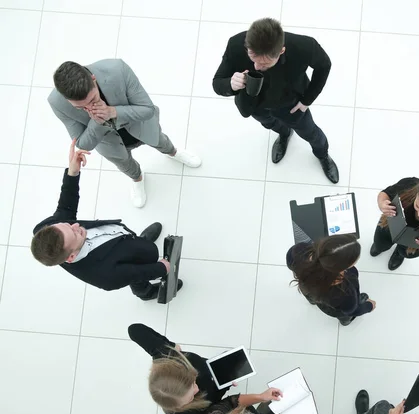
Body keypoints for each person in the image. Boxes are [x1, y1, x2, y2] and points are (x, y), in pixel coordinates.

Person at [30, 140, 182, 301]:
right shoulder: (105, 276)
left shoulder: (46, 229)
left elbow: (65, 209)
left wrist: (73, 173)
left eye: (67, 225)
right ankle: (145, 293)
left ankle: (139, 241)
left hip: (121, 240)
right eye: (75, 234)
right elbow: (134, 273)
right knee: (136, 275)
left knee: (138, 245)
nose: (75, 225)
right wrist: (160, 269)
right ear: (71, 257)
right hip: (128, 265)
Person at [49, 59, 201, 207]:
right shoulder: (56, 103)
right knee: (125, 164)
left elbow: (147, 109)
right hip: (110, 143)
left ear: (93, 79)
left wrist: (112, 112)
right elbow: (82, 144)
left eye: (93, 99)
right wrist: (97, 121)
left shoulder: (117, 69)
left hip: (140, 125)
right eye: (81, 107)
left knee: (161, 141)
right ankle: (138, 179)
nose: (90, 108)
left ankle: (173, 153)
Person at [212, 17, 339, 184]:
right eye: (253, 58)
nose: (256, 67)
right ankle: (284, 135)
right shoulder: (235, 44)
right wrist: (230, 83)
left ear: (281, 51)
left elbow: (324, 65)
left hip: (291, 105)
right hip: (256, 106)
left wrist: (307, 99)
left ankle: (323, 155)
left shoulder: (304, 46)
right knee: (270, 124)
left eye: (264, 63)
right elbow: (217, 82)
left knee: (311, 132)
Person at [128, 323, 234, 414]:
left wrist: (170, 346)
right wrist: (225, 385)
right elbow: (214, 406)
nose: (196, 390)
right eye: (191, 398)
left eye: (193, 383)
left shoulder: (166, 354)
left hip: (208, 368)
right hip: (216, 387)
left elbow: (134, 330)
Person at [286, 234, 375, 326]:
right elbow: (351, 310)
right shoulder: (346, 290)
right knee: (345, 316)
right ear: (344, 266)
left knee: (311, 296)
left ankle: (312, 301)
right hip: (334, 309)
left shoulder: (300, 252)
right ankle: (345, 322)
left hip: (310, 290)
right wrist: (368, 306)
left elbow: (290, 260)